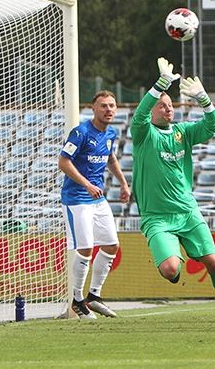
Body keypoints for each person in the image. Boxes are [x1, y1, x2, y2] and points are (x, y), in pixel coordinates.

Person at [130, 58, 215, 323]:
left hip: (187, 211)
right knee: (170, 270)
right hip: (157, 217)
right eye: (162, 106)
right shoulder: (143, 133)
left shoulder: (183, 132)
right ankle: (174, 266)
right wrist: (160, 85)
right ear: (153, 110)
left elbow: (213, 125)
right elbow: (139, 114)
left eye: (170, 105)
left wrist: (204, 99)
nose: (168, 109)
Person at [59, 90, 131, 319]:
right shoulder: (80, 132)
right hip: (77, 198)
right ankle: (78, 300)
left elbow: (110, 158)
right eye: (103, 106)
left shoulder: (110, 133)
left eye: (112, 105)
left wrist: (123, 183)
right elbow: (63, 162)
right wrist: (87, 184)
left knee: (111, 245)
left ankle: (94, 296)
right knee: (86, 249)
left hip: (97, 199)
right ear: (94, 108)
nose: (108, 109)